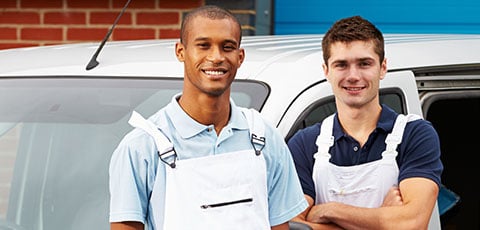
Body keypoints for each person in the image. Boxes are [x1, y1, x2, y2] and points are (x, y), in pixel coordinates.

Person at [108, 5, 307, 230]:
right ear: (180, 52)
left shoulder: (265, 138)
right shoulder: (142, 147)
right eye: (203, 46)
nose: (216, 57)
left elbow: (279, 226)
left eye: (227, 47)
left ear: (240, 57)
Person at [287, 15, 443, 230]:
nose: (353, 76)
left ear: (383, 68)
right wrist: (384, 219)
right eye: (341, 64)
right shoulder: (305, 143)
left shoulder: (414, 134)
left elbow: (411, 223)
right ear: (326, 71)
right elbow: (291, 225)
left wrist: (330, 210)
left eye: (364, 63)